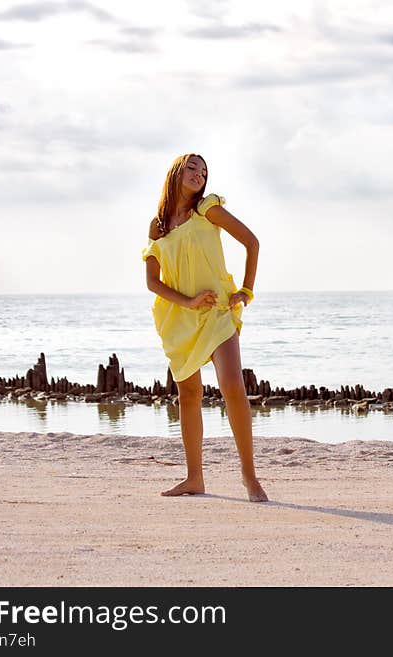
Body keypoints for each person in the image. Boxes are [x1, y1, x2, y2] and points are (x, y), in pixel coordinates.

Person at [142, 153, 267, 502]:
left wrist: (246, 289)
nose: (200, 174)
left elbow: (251, 242)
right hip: (179, 317)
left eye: (204, 171)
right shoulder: (159, 226)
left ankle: (249, 476)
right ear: (176, 173)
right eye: (192, 168)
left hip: (217, 311)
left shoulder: (207, 209)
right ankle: (194, 477)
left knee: (232, 386)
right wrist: (187, 302)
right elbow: (153, 282)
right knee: (189, 396)